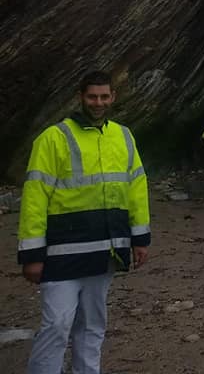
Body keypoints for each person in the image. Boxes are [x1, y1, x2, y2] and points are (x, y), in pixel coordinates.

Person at [18, 70, 151, 374]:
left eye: (104, 96)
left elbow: (136, 189)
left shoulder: (123, 136)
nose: (98, 103)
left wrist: (140, 239)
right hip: (61, 253)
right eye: (92, 97)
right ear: (80, 97)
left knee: (92, 326)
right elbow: (35, 198)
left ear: (113, 97)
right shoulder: (53, 138)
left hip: (105, 251)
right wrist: (32, 255)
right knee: (56, 325)